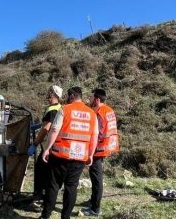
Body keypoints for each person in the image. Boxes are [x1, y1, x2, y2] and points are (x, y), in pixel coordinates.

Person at [40, 87, 98, 219]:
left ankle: (45, 215)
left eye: (67, 96)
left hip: (60, 155)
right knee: (71, 187)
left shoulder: (65, 109)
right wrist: (90, 155)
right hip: (79, 157)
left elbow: (54, 130)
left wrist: (47, 148)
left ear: (72, 96)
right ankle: (65, 217)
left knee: (53, 186)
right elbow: (95, 136)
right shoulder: (92, 113)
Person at [82, 88, 120, 217]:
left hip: (97, 150)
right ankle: (93, 200)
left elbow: (98, 134)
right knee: (96, 177)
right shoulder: (109, 110)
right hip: (106, 147)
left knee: (96, 179)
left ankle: (95, 209)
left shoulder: (98, 113)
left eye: (91, 98)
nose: (89, 100)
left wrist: (89, 152)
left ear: (97, 99)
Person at [29, 85, 63, 205]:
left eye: (50, 93)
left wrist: (35, 143)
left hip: (48, 148)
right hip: (53, 147)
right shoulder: (58, 108)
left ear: (54, 94)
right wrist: (39, 125)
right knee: (48, 174)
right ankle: (44, 198)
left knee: (42, 173)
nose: (48, 95)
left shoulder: (53, 109)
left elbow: (46, 128)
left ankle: (39, 198)